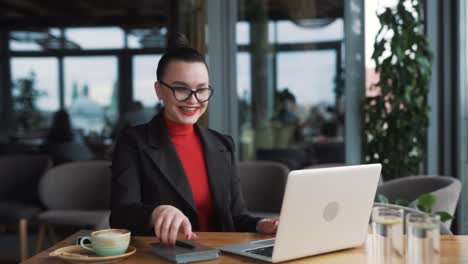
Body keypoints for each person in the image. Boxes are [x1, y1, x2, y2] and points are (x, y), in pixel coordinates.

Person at [110, 33, 278, 247]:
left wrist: (260, 224)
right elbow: (121, 214)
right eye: (181, 89)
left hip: (221, 255)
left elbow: (235, 217)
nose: (193, 100)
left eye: (201, 90)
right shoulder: (133, 142)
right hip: (166, 256)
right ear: (159, 90)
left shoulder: (222, 145)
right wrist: (155, 212)